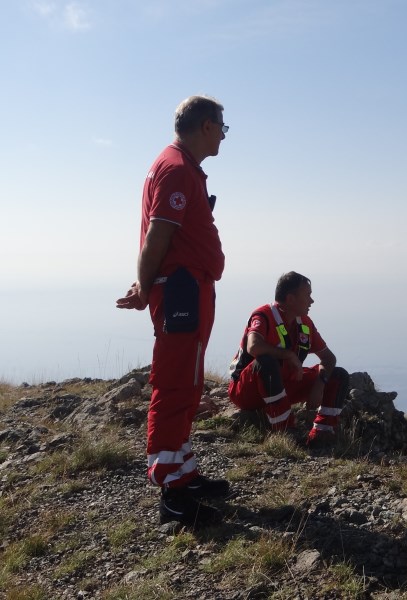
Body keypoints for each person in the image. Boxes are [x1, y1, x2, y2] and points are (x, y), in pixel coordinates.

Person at [116, 95, 231, 527]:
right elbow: (157, 236)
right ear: (205, 125)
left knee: (189, 383)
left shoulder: (179, 166)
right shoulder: (178, 169)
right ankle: (172, 494)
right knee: (175, 384)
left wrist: (149, 283)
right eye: (222, 127)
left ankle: (184, 474)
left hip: (189, 286)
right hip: (182, 289)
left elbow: (161, 235)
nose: (223, 134)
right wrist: (147, 287)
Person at [228, 271, 349, 447]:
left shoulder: (305, 323)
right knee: (266, 362)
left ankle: (322, 433)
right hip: (247, 390)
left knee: (338, 375)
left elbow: (328, 358)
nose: (312, 301)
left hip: (283, 385)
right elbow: (253, 347)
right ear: (291, 299)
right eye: (307, 295)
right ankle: (285, 431)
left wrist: (320, 384)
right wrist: (288, 355)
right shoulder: (264, 315)